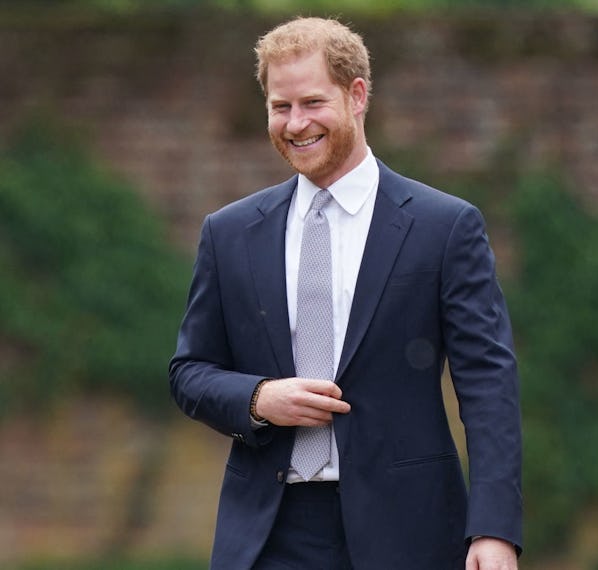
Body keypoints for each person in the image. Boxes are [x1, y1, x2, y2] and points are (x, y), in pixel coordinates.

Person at [169, 16, 522, 570]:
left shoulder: (445, 227)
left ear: (357, 96)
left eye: (312, 102)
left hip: (410, 532)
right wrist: (259, 399)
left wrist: (494, 529)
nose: (295, 123)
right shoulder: (229, 232)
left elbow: (488, 384)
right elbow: (189, 372)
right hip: (268, 535)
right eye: (280, 107)